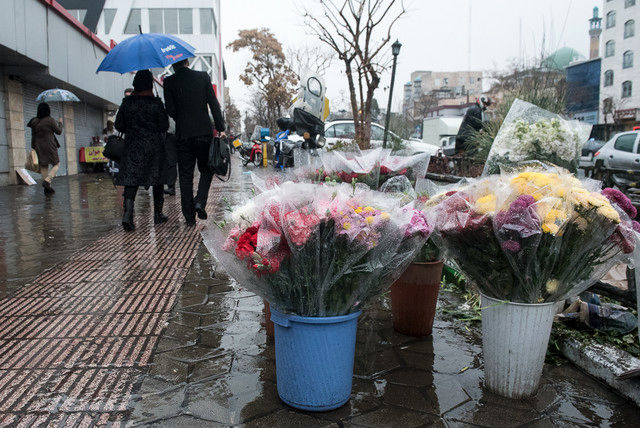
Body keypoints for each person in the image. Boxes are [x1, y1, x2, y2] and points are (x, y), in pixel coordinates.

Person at [163, 59, 225, 226]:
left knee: (185, 175)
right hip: (204, 132)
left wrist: (182, 119)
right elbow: (213, 104)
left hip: (183, 135)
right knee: (206, 169)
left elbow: (170, 110)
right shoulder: (202, 77)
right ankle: (200, 201)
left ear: (172, 66)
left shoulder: (168, 82)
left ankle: (189, 217)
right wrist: (219, 126)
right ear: (188, 62)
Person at [114, 70, 169, 231]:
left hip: (132, 146)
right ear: (150, 85)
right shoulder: (156, 103)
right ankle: (158, 214)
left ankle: (128, 214)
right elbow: (164, 126)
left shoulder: (127, 103)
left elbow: (118, 125)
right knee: (157, 179)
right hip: (153, 146)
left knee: (132, 180)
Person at [27, 103, 63, 195]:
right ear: (48, 110)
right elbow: (59, 132)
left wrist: (33, 147)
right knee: (57, 164)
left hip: (38, 146)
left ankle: (47, 188)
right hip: (50, 145)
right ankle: (47, 181)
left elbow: (33, 136)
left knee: (44, 166)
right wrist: (60, 123)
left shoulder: (34, 121)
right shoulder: (50, 120)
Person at [164, 117, 178, 196]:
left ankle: (171, 187)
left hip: (173, 135)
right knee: (171, 162)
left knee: (171, 161)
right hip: (173, 135)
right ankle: (171, 186)